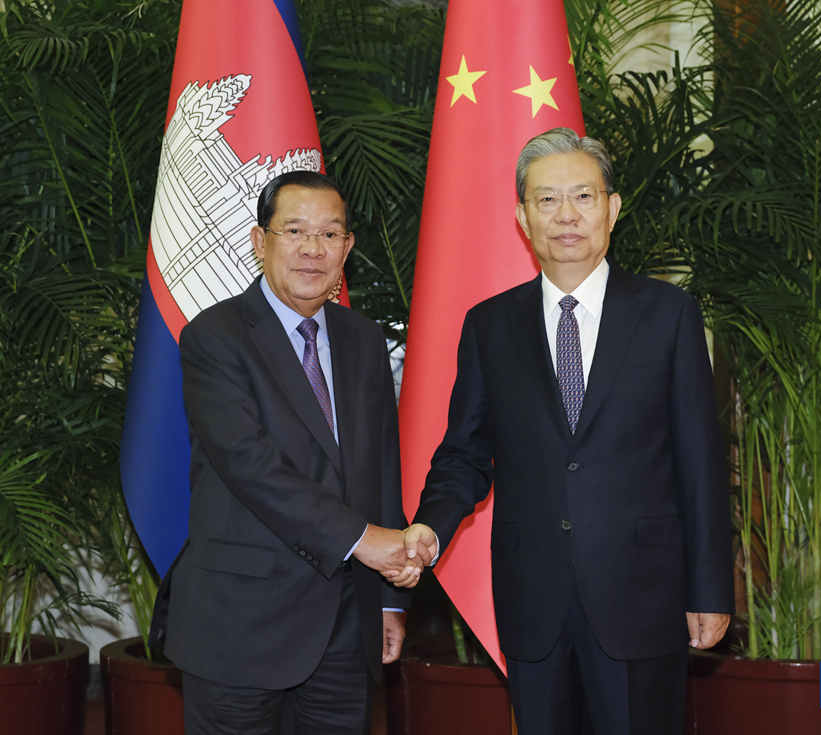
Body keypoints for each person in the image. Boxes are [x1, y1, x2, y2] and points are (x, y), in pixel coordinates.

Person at [402, 128, 735, 734]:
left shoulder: (668, 314)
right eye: (546, 199)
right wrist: (431, 525)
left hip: (643, 594)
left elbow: (700, 463)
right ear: (523, 218)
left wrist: (710, 587)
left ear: (611, 207)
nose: (566, 215)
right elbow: (465, 454)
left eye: (582, 196)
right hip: (535, 598)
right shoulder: (489, 325)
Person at [149, 171, 422, 735]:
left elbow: (380, 469)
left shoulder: (364, 339)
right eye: (294, 230)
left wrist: (389, 600)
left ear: (347, 248)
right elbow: (250, 463)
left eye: (329, 234)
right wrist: (367, 541)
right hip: (241, 623)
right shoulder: (214, 336)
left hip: (346, 623)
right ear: (259, 241)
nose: (311, 249)